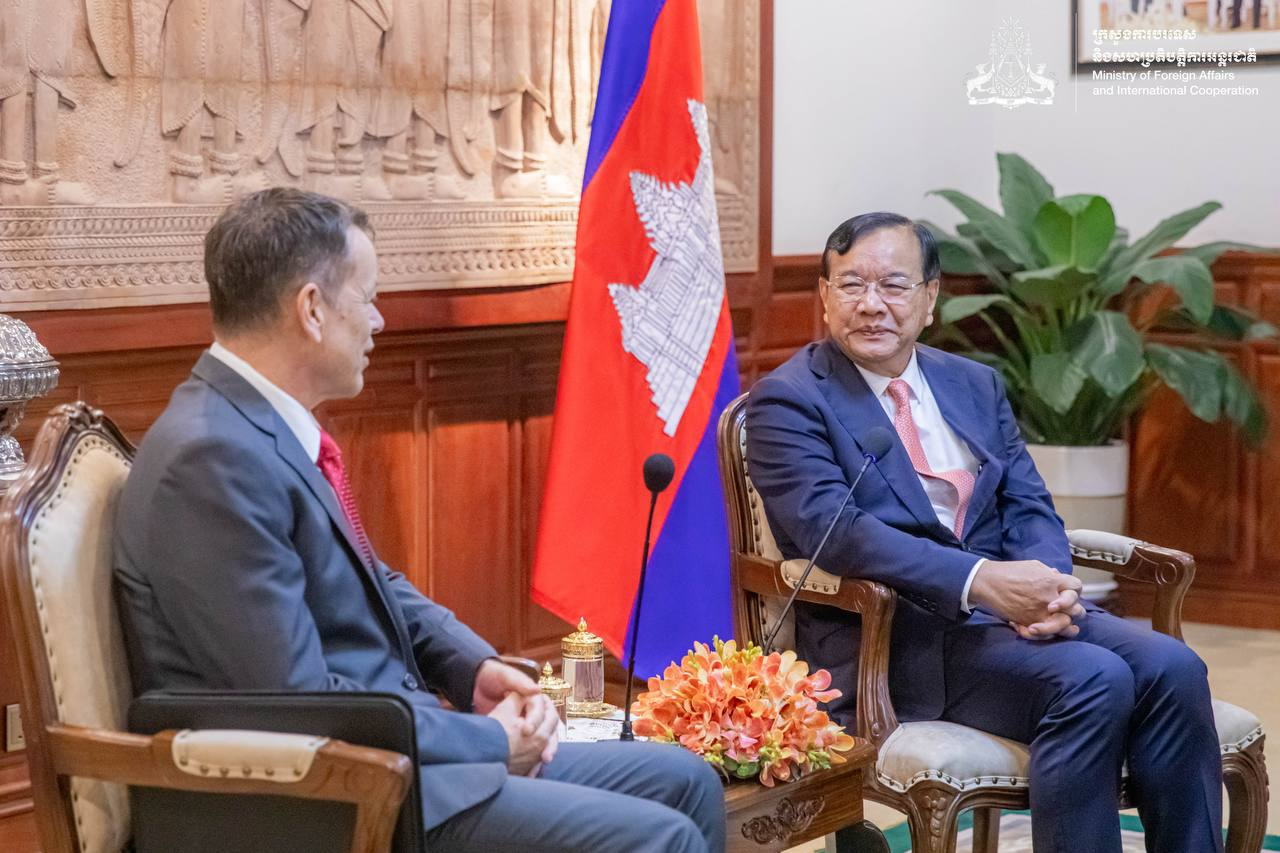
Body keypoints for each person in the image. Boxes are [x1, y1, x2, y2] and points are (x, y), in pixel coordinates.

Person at [113, 187, 725, 853]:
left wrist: (474, 667)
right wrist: (486, 739)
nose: (378, 321)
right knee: (662, 836)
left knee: (686, 780)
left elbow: (373, 583)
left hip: (398, 755)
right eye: (368, 298)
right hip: (335, 799)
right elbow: (298, 700)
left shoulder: (253, 430)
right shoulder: (211, 459)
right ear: (311, 309)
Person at [744, 212, 1222, 853]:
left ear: (930, 298)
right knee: (1093, 680)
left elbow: (1028, 504)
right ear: (825, 297)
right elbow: (837, 532)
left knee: (1175, 667)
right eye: (852, 285)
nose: (872, 304)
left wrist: (1050, 589)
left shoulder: (971, 383)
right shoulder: (790, 400)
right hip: (900, 638)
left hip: (1010, 616)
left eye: (893, 285)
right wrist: (983, 582)